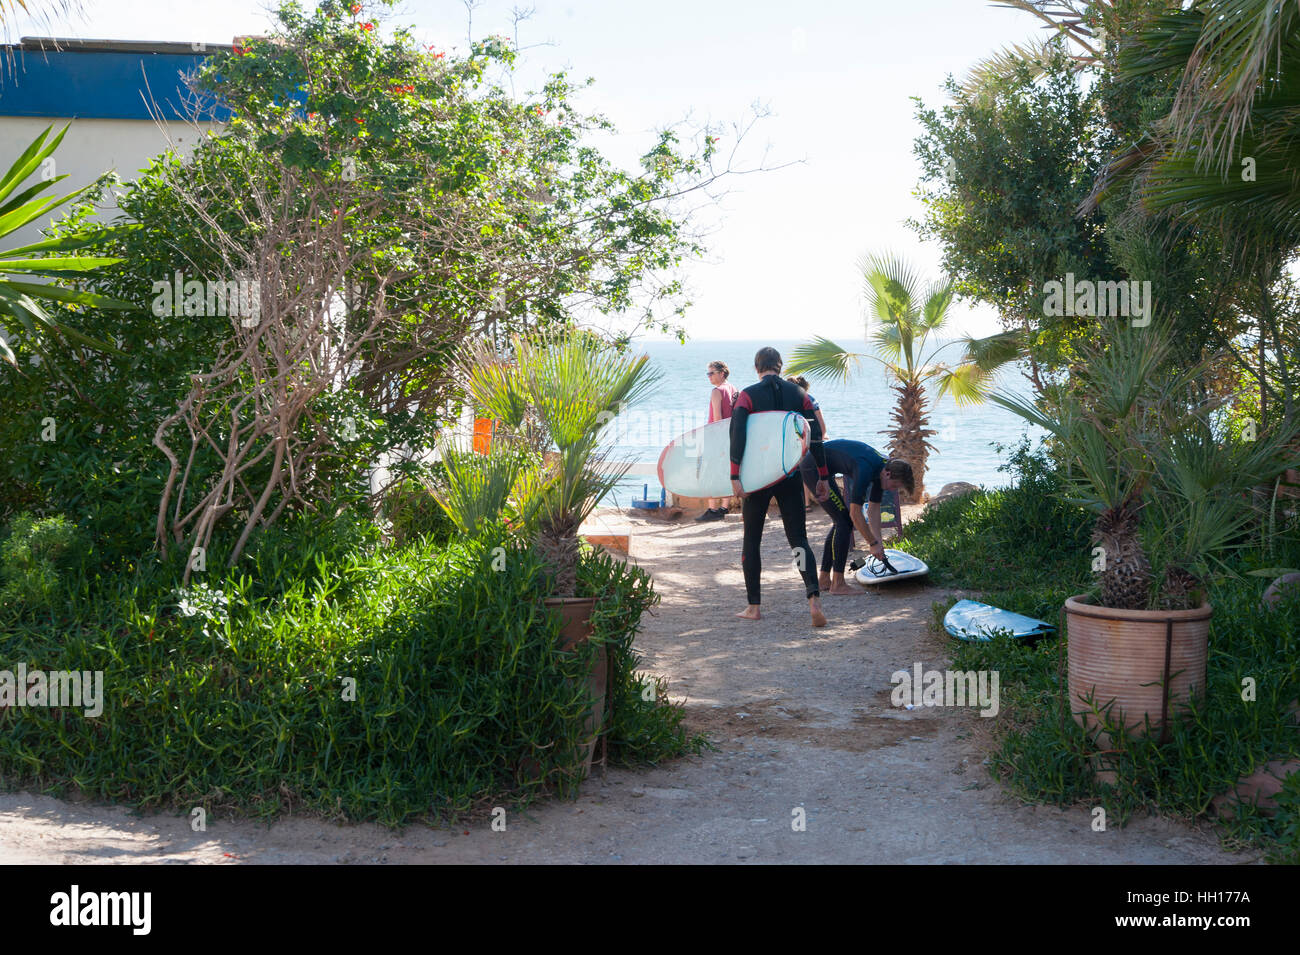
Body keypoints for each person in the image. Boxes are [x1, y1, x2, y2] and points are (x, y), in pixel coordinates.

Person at [729, 347, 830, 627]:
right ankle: (813, 599)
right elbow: (817, 436)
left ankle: (754, 607)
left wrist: (735, 475)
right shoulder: (800, 395)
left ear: (756, 367)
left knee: (752, 540)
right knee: (799, 540)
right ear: (781, 366)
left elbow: (736, 433)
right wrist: (822, 476)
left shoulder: (747, 395)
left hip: (757, 478)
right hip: (789, 475)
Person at [799, 439, 914, 594]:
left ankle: (824, 580)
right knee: (844, 521)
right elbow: (855, 513)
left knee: (840, 522)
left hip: (824, 468)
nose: (892, 490)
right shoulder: (866, 469)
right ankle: (838, 584)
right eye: (894, 486)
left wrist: (878, 542)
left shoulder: (882, 469)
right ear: (888, 474)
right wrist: (872, 543)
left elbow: (874, 509)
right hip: (813, 468)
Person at [697, 360, 739, 522]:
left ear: (722, 373)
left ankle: (712, 509)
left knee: (708, 472)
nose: (709, 376)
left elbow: (717, 420)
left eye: (711, 373)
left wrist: (716, 441)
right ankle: (724, 507)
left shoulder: (717, 391)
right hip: (731, 436)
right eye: (707, 373)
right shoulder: (734, 389)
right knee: (727, 472)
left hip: (718, 436)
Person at [786, 375, 827, 509]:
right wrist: (822, 434)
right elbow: (819, 420)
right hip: (810, 437)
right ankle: (807, 503)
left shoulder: (793, 399)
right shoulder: (810, 398)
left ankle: (804, 503)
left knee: (799, 470)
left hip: (800, 438)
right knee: (805, 469)